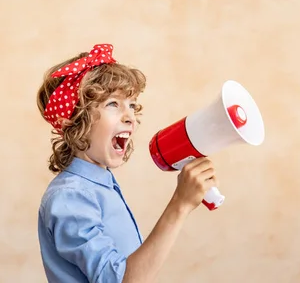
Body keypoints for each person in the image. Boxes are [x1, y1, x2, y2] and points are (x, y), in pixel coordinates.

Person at [35, 43, 218, 283]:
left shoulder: (100, 185)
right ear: (74, 124)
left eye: (131, 105)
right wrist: (180, 204)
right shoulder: (71, 197)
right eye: (113, 104)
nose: (130, 116)